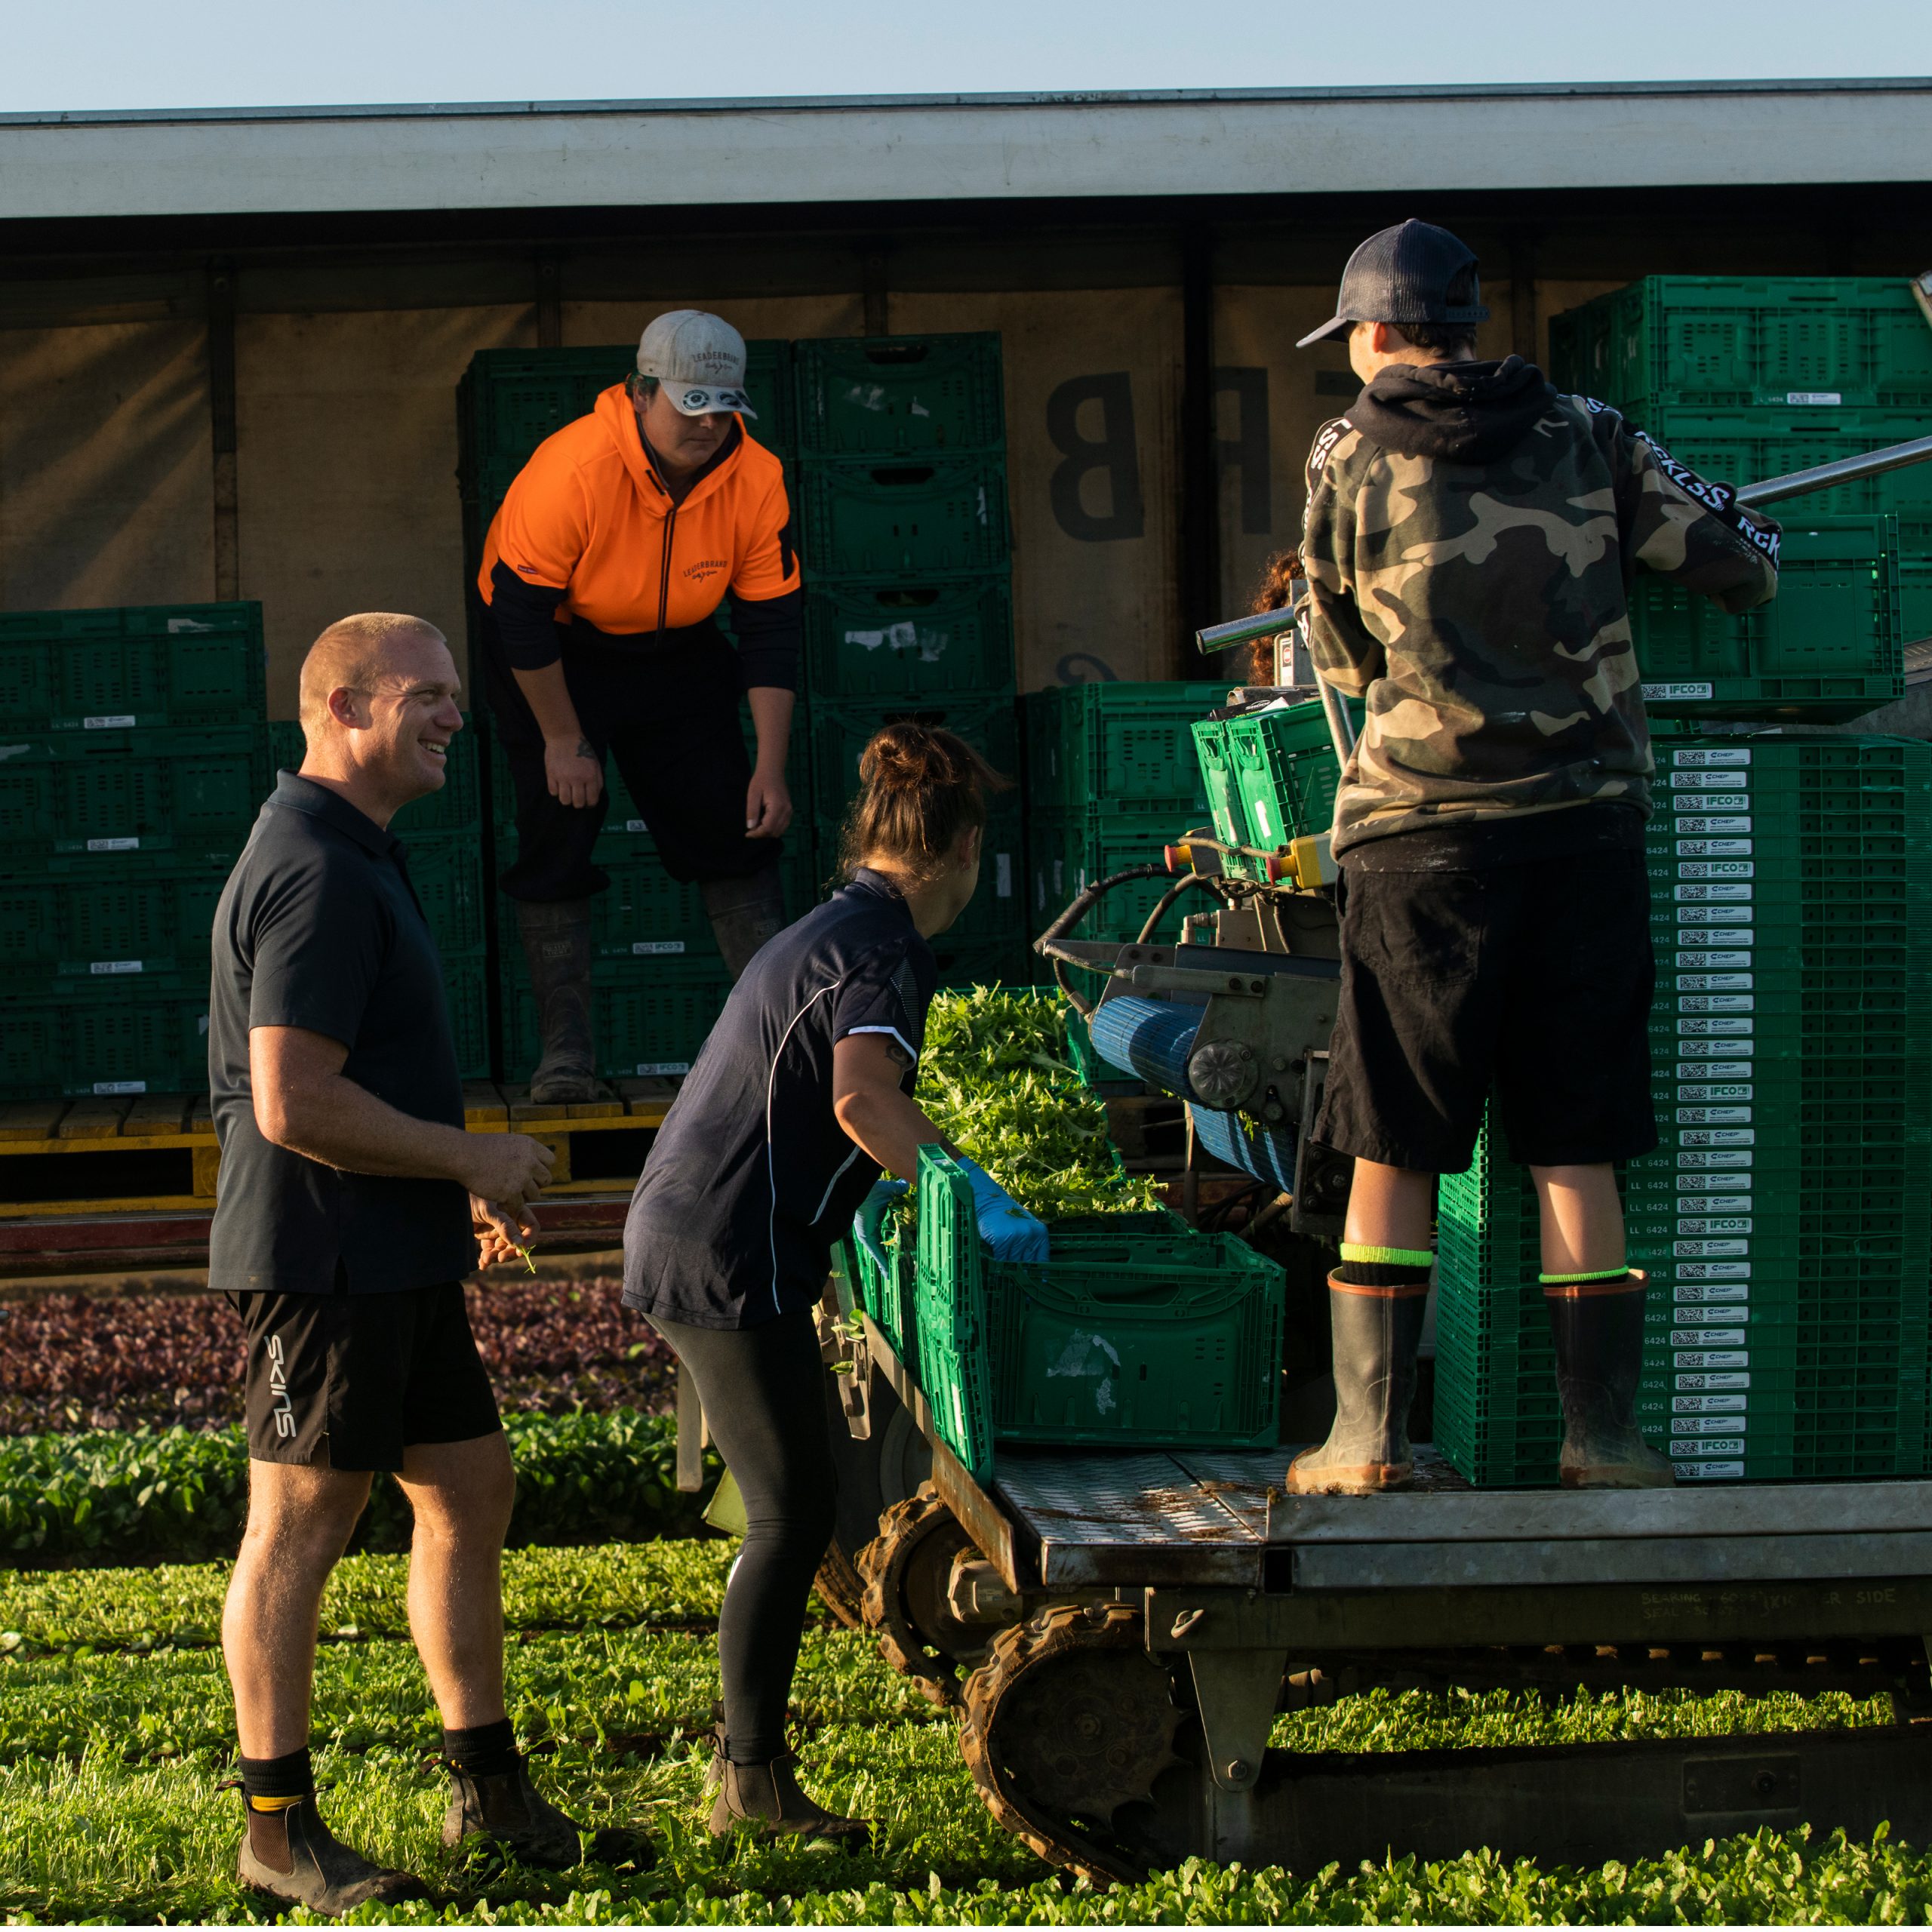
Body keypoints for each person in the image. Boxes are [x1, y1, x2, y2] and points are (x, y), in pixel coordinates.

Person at [1287, 220, 1781, 1495]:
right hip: (1584, 837)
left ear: (1381, 334)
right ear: (1467, 321)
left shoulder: (1344, 455)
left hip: (1416, 842)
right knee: (1578, 1138)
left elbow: (1334, 650)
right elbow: (1733, 555)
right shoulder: (1592, 431)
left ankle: (1366, 1443)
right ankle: (1603, 1440)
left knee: (1393, 1141)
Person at [209, 614, 639, 1913]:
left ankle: (489, 1795)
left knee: (468, 1486)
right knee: (299, 1525)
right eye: (431, 695)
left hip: (391, 1249)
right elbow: (293, 1101)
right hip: (321, 1260)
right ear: (346, 705)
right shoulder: (320, 872)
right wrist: (465, 1158)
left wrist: (450, 1198)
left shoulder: (358, 853)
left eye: (459, 693)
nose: (459, 714)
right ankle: (278, 1830)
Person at [620, 722, 1047, 1841]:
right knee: (791, 1515)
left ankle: (748, 1771)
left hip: (705, 1231)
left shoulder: (834, 925)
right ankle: (749, 1784)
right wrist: (970, 1190)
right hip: (727, 1246)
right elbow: (863, 1098)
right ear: (958, 850)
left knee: (793, 1505)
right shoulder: (883, 950)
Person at [479, 309, 802, 1101]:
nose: (707, 424)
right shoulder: (573, 469)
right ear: (641, 391)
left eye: (723, 407)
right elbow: (516, 615)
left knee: (737, 828)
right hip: (553, 650)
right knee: (557, 834)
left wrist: (770, 765)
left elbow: (770, 625)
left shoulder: (756, 477)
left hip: (676, 651)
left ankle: (784, 1047)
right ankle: (565, 1056)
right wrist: (564, 738)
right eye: (689, 405)